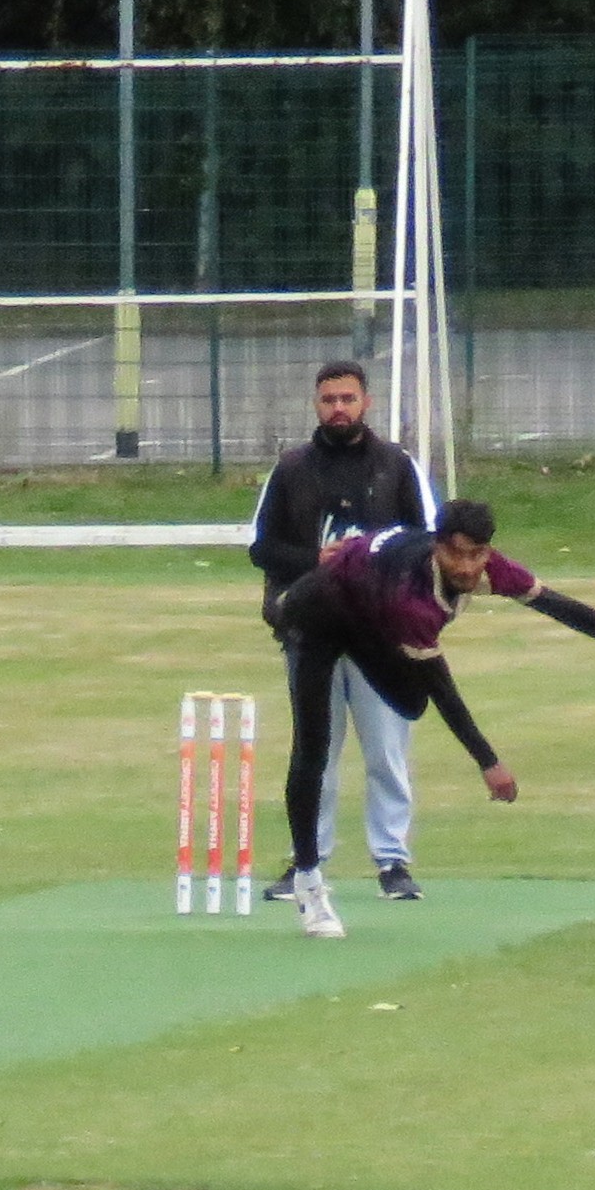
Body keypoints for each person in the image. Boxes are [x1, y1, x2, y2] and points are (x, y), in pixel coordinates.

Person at [264, 498, 595, 938]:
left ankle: (319, 875)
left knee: (410, 703)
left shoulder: (490, 570)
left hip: (371, 620)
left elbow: (562, 608)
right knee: (314, 750)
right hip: (314, 615)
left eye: (478, 554)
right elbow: (443, 687)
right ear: (437, 548)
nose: (468, 568)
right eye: (457, 554)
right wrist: (488, 761)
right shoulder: (413, 599)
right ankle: (308, 881)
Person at [246, 360, 434, 901]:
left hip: (379, 632)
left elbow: (429, 543)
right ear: (316, 404)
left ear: (366, 403)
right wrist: (315, 558)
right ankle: (307, 861)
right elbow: (260, 547)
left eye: (348, 399)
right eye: (329, 400)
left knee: (385, 751)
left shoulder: (396, 466)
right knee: (314, 751)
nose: (338, 409)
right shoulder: (291, 469)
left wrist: (382, 570)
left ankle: (393, 862)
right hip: (309, 631)